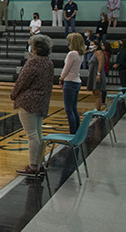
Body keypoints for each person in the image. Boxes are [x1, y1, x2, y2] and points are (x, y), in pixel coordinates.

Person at [10, 34, 54, 177]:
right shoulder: (48, 63)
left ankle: (33, 165)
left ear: (35, 48)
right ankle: (39, 162)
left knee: (32, 135)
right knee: (38, 133)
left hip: (29, 102)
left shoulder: (33, 62)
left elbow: (22, 81)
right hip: (41, 101)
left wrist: (13, 94)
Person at [59, 33, 84, 134]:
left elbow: (66, 69)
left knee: (69, 109)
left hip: (70, 81)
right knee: (74, 108)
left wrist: (61, 78)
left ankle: (73, 132)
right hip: (77, 81)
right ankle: (77, 130)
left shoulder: (72, 54)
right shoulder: (80, 53)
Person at [87, 38, 107, 111]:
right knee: (95, 92)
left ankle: (98, 109)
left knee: (98, 92)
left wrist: (98, 74)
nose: (90, 46)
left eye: (92, 45)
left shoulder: (99, 52)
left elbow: (101, 63)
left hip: (97, 73)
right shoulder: (94, 53)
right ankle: (97, 107)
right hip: (93, 74)